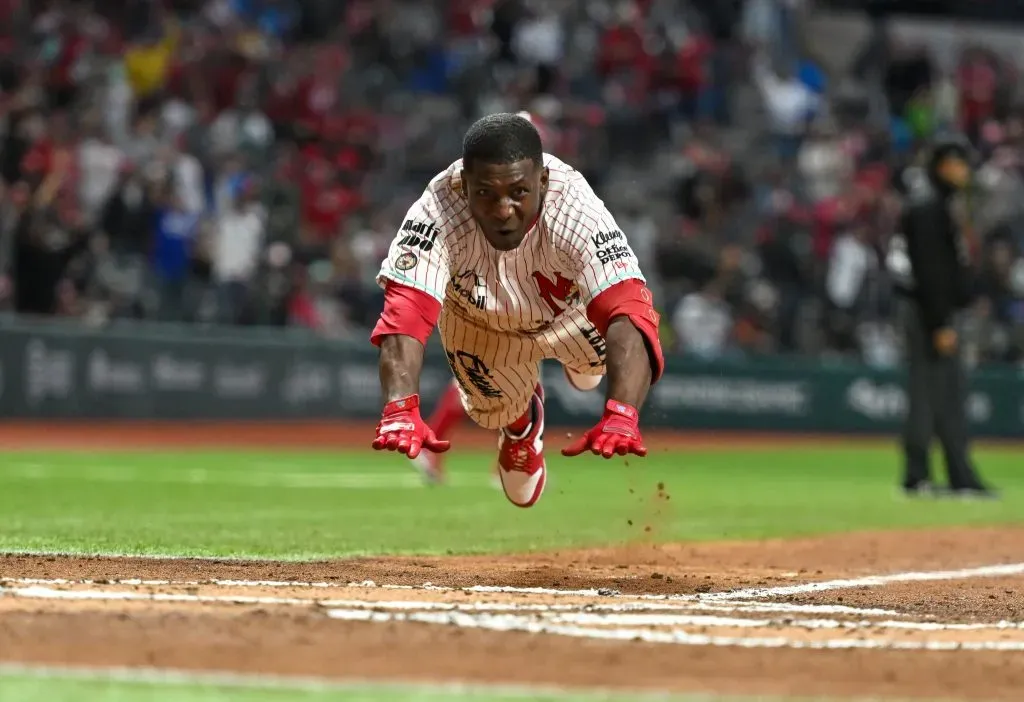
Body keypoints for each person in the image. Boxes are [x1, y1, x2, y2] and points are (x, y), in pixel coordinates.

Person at [369, 113, 664, 508]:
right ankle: (521, 424)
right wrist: (400, 405)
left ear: (542, 180)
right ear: (464, 184)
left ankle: (582, 370)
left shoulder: (576, 208)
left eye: (518, 192)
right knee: (512, 466)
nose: (503, 209)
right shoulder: (435, 210)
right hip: (479, 323)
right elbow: (405, 312)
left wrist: (623, 411)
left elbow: (627, 307)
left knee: (596, 371)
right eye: (485, 193)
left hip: (568, 315)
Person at [886, 136, 996, 499]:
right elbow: (931, 272)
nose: (964, 170)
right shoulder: (929, 206)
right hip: (928, 314)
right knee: (928, 395)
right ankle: (918, 476)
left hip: (935, 312)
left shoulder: (934, 203)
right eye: (958, 163)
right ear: (944, 165)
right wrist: (941, 323)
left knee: (946, 395)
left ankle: (958, 475)